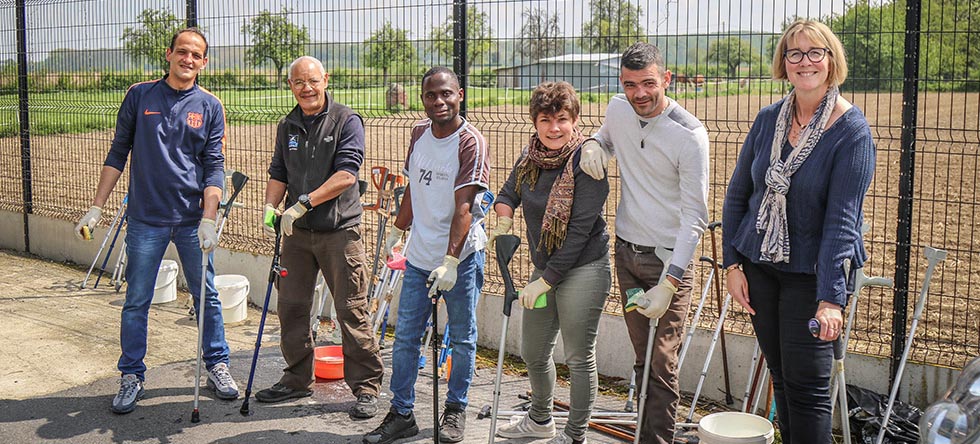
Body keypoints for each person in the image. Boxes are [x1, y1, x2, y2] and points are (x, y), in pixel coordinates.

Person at [721, 20, 875, 443]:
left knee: (807, 391)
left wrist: (831, 299)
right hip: (759, 268)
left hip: (810, 278)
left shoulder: (852, 133)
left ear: (831, 61)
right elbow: (738, 196)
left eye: (815, 53)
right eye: (795, 53)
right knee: (782, 380)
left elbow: (842, 223)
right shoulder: (768, 119)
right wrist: (732, 265)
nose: (804, 61)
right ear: (784, 63)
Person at [73, 28, 239, 414]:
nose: (188, 60)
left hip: (191, 221)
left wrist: (209, 219)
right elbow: (118, 152)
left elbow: (214, 167)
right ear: (169, 54)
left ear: (204, 62)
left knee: (207, 297)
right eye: (182, 52)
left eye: (196, 55)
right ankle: (132, 374)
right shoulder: (139, 95)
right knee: (136, 300)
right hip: (146, 219)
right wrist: (97, 206)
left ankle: (217, 365)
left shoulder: (211, 106)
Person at [580, 42, 710, 444]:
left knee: (662, 359)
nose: (639, 93)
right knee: (643, 354)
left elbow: (696, 217)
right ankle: (644, 431)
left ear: (666, 80)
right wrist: (595, 145)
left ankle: (657, 439)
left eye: (648, 83)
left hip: (665, 262)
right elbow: (608, 137)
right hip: (627, 257)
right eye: (630, 83)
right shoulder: (618, 109)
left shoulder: (689, 135)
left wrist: (671, 282)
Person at [363, 66, 490, 444]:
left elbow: (464, 207)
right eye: (432, 95)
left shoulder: (470, 142)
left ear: (460, 95)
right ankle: (401, 413)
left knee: (463, 338)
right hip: (419, 257)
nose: (439, 101)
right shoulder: (418, 133)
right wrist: (399, 231)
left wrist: (450, 261)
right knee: (405, 338)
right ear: (423, 99)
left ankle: (455, 410)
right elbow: (412, 191)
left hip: (460, 259)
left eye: (447, 94)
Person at [256, 55, 384, 419]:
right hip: (296, 235)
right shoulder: (288, 125)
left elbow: (347, 174)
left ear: (325, 80)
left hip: (338, 232)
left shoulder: (346, 120)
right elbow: (278, 170)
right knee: (292, 308)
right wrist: (270, 205)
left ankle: (366, 388)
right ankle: (296, 379)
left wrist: (303, 203)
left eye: (312, 81)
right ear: (291, 86)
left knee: (350, 309)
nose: (306, 88)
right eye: (299, 82)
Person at [489, 81, 611, 444]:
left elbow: (577, 233)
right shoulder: (530, 158)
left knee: (577, 356)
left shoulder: (587, 162)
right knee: (534, 350)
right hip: (546, 267)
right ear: (534, 122)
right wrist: (504, 217)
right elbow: (507, 192)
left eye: (562, 119)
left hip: (584, 268)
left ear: (575, 119)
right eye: (545, 120)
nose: (554, 128)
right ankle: (540, 419)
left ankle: (575, 435)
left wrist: (546, 279)